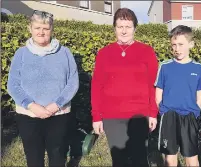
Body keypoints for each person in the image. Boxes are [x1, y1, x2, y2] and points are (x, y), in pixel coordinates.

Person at [7, 10, 79, 167]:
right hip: (28, 115)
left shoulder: (65, 53)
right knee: (33, 157)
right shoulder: (21, 54)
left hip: (59, 114)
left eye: (45, 28)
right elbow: (13, 84)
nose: (41, 32)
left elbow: (73, 82)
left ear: (52, 29)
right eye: (37, 27)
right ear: (30, 28)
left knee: (58, 155)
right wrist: (32, 105)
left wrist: (56, 104)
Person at [91, 8, 158, 167]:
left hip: (139, 116)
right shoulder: (104, 53)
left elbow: (153, 84)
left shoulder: (146, 51)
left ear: (135, 28)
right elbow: (96, 86)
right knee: (119, 160)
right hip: (112, 116)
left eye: (128, 26)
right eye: (120, 26)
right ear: (114, 27)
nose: (124, 31)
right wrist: (96, 117)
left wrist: (153, 113)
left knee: (140, 159)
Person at [155, 25, 201, 166]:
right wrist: (163, 111)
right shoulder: (164, 67)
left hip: (189, 117)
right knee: (170, 158)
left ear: (191, 44)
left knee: (191, 158)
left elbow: (200, 95)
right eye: (174, 45)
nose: (177, 49)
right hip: (169, 116)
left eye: (181, 44)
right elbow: (159, 91)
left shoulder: (199, 69)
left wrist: (195, 112)